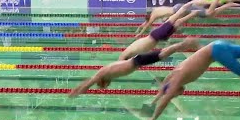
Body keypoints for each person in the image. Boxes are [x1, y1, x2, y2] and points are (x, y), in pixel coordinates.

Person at [69, 37, 199, 97]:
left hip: (137, 61)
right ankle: (184, 44)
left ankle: (186, 43)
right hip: (137, 61)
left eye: (103, 86)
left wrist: (77, 91)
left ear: (102, 82)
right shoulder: (106, 74)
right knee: (163, 54)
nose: (106, 86)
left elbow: (87, 84)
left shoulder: (101, 74)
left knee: (163, 54)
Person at [135, 0, 240, 37]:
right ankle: (235, 0)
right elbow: (145, 23)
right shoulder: (154, 11)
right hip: (179, 8)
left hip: (178, 9)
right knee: (212, 12)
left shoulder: (153, 15)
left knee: (210, 12)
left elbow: (148, 25)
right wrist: (138, 29)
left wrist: (140, 34)